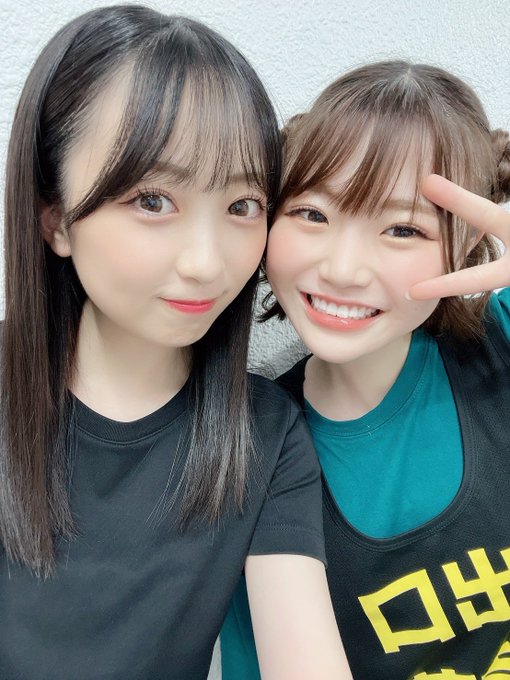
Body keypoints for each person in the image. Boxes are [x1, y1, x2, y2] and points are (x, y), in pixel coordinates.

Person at [0, 6, 353, 679]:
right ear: (56, 219)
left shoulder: (265, 434)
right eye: (152, 200)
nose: (207, 262)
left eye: (242, 206)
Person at [221, 61, 510, 678]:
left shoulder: (503, 343)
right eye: (313, 214)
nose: (343, 269)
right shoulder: (250, 447)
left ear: (466, 244)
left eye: (402, 228)